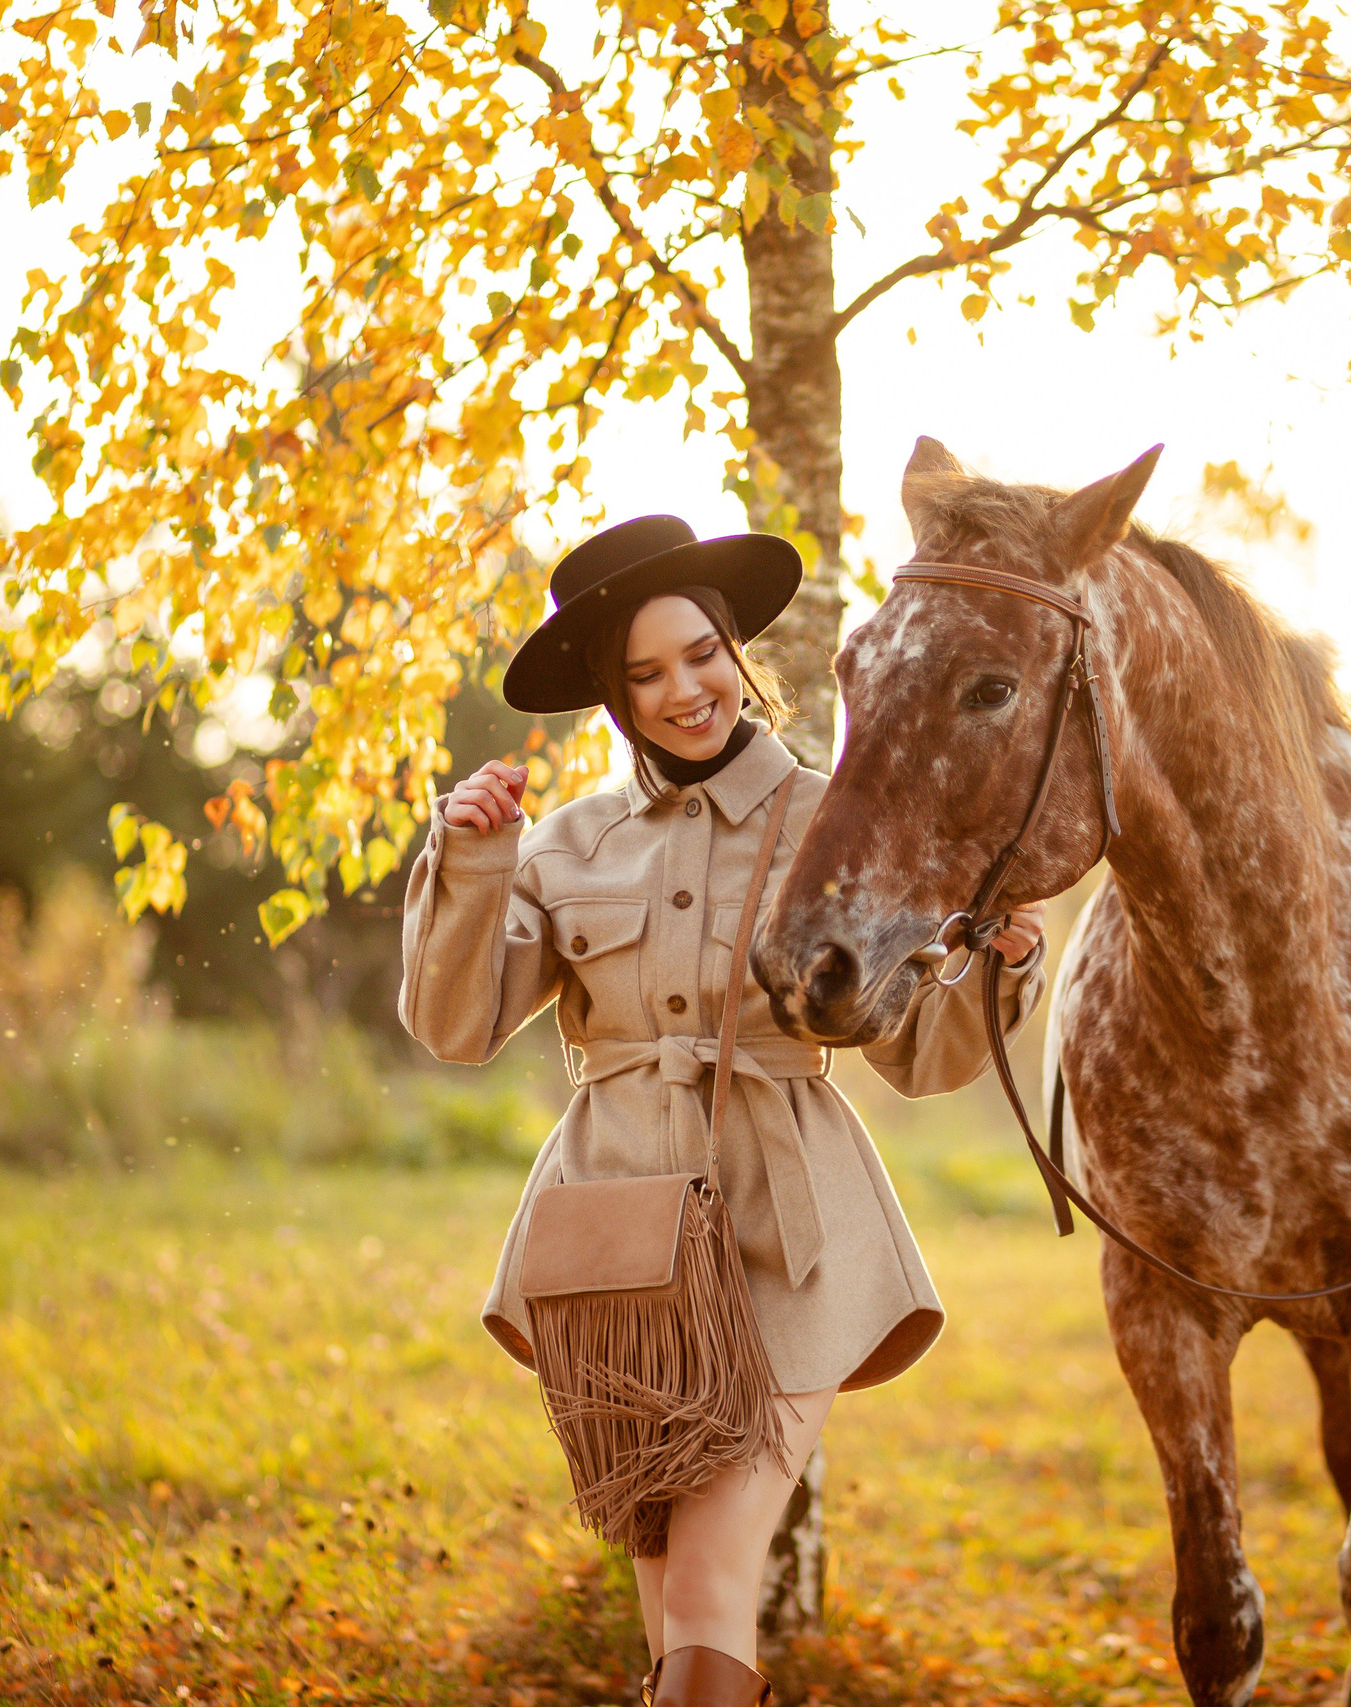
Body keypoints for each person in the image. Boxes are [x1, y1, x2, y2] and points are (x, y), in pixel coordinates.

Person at [398, 515, 1045, 1707]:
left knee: (704, 1578)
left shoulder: (838, 821)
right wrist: (473, 862)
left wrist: (1000, 969)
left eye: (700, 654)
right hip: (613, 1246)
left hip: (787, 1237)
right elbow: (455, 1026)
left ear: (737, 649)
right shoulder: (567, 845)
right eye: (645, 674)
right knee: (664, 1593)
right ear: (613, 696)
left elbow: (915, 1052)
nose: (684, 691)